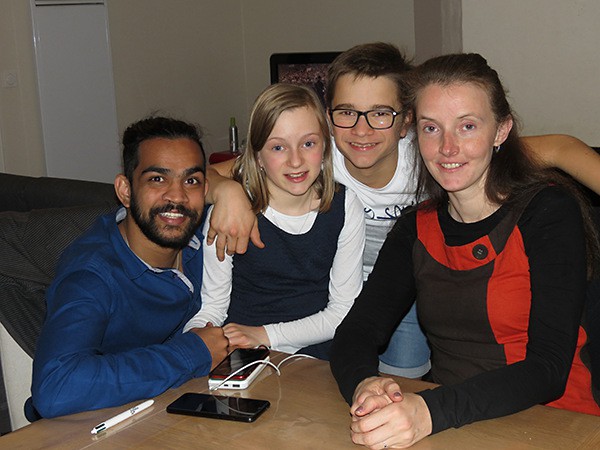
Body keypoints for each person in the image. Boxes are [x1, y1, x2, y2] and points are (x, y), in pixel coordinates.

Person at [204, 43, 600, 378]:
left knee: (403, 376)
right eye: (347, 112)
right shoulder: (318, 157)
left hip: (409, 285)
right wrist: (227, 192)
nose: (361, 130)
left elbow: (560, 147)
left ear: (406, 121)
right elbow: (199, 176)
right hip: (335, 287)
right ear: (329, 119)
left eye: (380, 113)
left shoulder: (432, 152)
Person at [330, 53, 600, 449]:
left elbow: (548, 369)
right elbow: (357, 331)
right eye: (431, 128)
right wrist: (365, 383)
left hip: (557, 424)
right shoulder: (415, 227)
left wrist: (429, 411)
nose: (447, 147)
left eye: (467, 126)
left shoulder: (547, 212)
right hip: (456, 428)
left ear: (501, 131)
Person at [27, 116, 229, 419]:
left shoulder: (208, 237)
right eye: (157, 179)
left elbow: (269, 163)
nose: (177, 196)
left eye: (191, 181)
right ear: (125, 190)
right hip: (104, 426)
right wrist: (192, 353)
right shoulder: (92, 274)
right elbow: (56, 387)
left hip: (184, 408)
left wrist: (229, 192)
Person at [183, 84, 364, 359]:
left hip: (318, 349)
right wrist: (195, 340)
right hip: (244, 350)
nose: (296, 160)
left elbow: (342, 311)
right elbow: (213, 308)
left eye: (308, 144)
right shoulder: (230, 213)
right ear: (257, 156)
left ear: (325, 146)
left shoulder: (346, 207)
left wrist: (265, 335)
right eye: (278, 147)